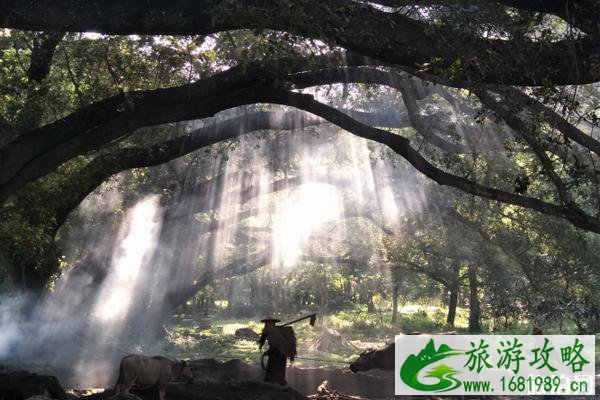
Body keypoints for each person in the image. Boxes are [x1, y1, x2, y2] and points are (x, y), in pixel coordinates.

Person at [258, 317, 297, 385]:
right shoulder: (273, 330)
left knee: (274, 367)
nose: (266, 325)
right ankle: (278, 381)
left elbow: (273, 343)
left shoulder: (271, 330)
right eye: (266, 323)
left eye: (267, 323)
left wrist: (268, 352)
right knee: (280, 366)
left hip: (277, 352)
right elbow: (262, 340)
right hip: (281, 353)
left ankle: (274, 381)